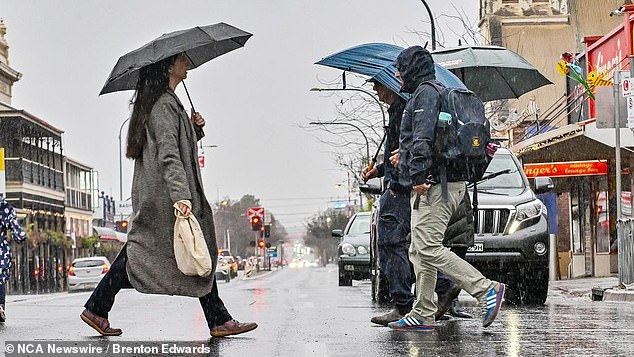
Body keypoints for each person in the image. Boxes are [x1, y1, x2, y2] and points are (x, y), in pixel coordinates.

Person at [81, 53, 257, 337]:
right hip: (165, 198)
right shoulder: (163, 104)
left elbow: (175, 144)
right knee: (180, 251)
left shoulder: (166, 103)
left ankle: (98, 308)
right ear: (168, 68)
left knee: (169, 252)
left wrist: (194, 129)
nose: (186, 63)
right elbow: (168, 155)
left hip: (160, 196)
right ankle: (217, 319)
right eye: (181, 60)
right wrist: (181, 196)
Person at [388, 45, 505, 331]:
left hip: (434, 185)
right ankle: (423, 311)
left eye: (400, 68)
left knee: (427, 247)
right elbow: (427, 141)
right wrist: (404, 159)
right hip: (439, 181)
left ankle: (485, 289)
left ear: (411, 69)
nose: (397, 74)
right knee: (418, 249)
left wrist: (416, 176)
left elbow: (423, 140)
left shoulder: (426, 94)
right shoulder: (431, 93)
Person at [363, 80, 473, 326]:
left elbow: (416, 146)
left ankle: (406, 304)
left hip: (403, 186)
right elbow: (401, 151)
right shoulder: (405, 107)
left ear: (390, 85)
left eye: (377, 85)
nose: (375, 90)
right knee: (418, 249)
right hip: (409, 182)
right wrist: (379, 170)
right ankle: (431, 299)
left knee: (394, 244)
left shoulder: (410, 105)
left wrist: (412, 177)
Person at [0, 196, 27, 323]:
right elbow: (16, 229)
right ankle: (1, 306)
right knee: (0, 278)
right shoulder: (5, 207)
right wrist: (20, 236)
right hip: (1, 248)